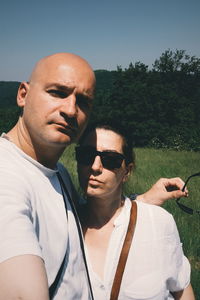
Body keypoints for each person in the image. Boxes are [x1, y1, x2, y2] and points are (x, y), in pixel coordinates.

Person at [0, 52, 190, 300]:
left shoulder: (59, 174)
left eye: (83, 101)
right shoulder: (7, 177)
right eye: (57, 92)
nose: (70, 109)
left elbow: (84, 213)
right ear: (23, 94)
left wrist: (140, 202)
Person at [75, 122, 195, 300]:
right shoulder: (63, 223)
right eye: (86, 155)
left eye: (110, 160)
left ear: (127, 171)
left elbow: (182, 290)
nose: (95, 166)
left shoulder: (158, 223)